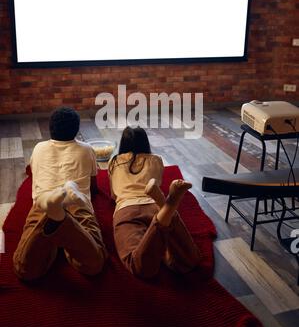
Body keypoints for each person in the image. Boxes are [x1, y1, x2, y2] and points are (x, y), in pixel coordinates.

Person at [13, 107, 107, 281]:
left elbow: (34, 174)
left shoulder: (39, 148)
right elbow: (93, 187)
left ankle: (54, 216)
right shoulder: (87, 149)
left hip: (43, 204)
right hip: (77, 203)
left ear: (50, 128)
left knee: (25, 269)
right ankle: (64, 220)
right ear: (76, 130)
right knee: (94, 264)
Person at [108, 126, 202, 279]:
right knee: (186, 261)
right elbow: (157, 180)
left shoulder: (114, 162)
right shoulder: (157, 160)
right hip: (154, 204)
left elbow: (113, 195)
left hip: (127, 209)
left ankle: (166, 210)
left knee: (137, 265)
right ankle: (167, 207)